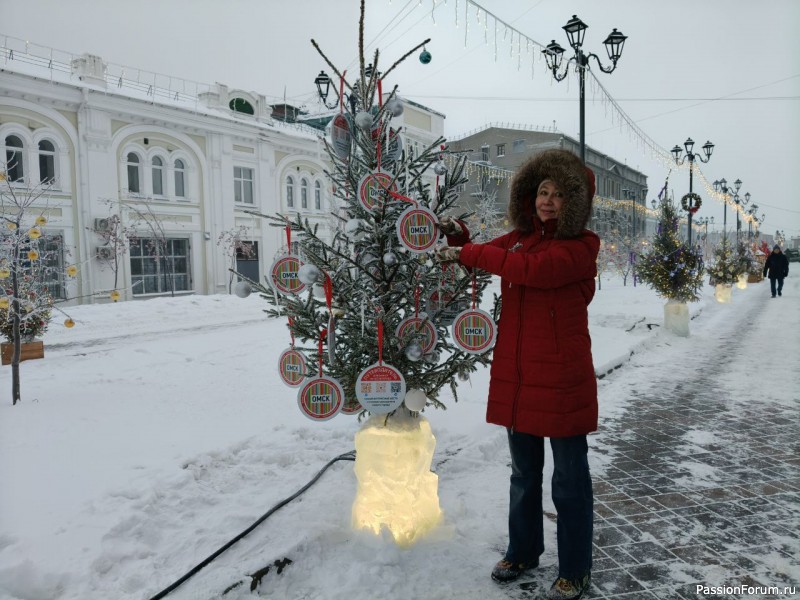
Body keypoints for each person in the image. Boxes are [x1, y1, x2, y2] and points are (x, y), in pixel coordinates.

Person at [437, 149, 599, 600]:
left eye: (560, 194)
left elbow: (531, 272)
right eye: (543, 191)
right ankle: (523, 550)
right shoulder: (519, 239)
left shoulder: (581, 247)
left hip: (563, 382)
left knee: (569, 480)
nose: (548, 200)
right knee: (524, 474)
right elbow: (487, 253)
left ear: (577, 203)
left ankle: (575, 568)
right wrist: (459, 237)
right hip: (519, 377)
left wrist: (470, 253)